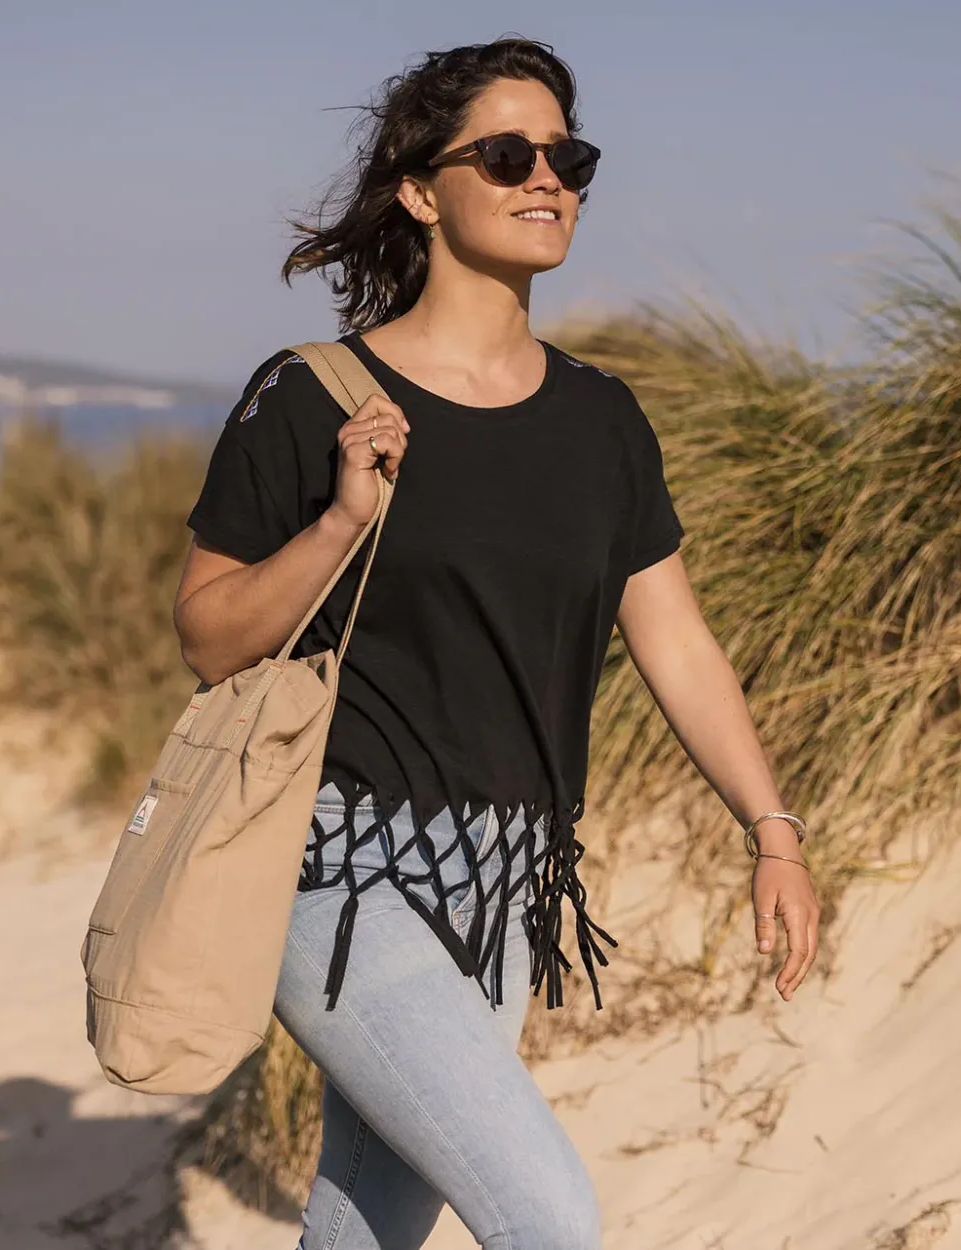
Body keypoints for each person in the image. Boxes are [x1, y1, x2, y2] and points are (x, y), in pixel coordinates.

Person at [174, 37, 820, 1250]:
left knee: (366, 1227)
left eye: (568, 158)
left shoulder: (601, 418)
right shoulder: (313, 395)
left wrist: (769, 828)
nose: (547, 180)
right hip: (333, 865)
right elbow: (208, 637)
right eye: (508, 155)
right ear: (422, 192)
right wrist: (340, 522)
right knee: (548, 1217)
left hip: (507, 882)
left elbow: (675, 638)